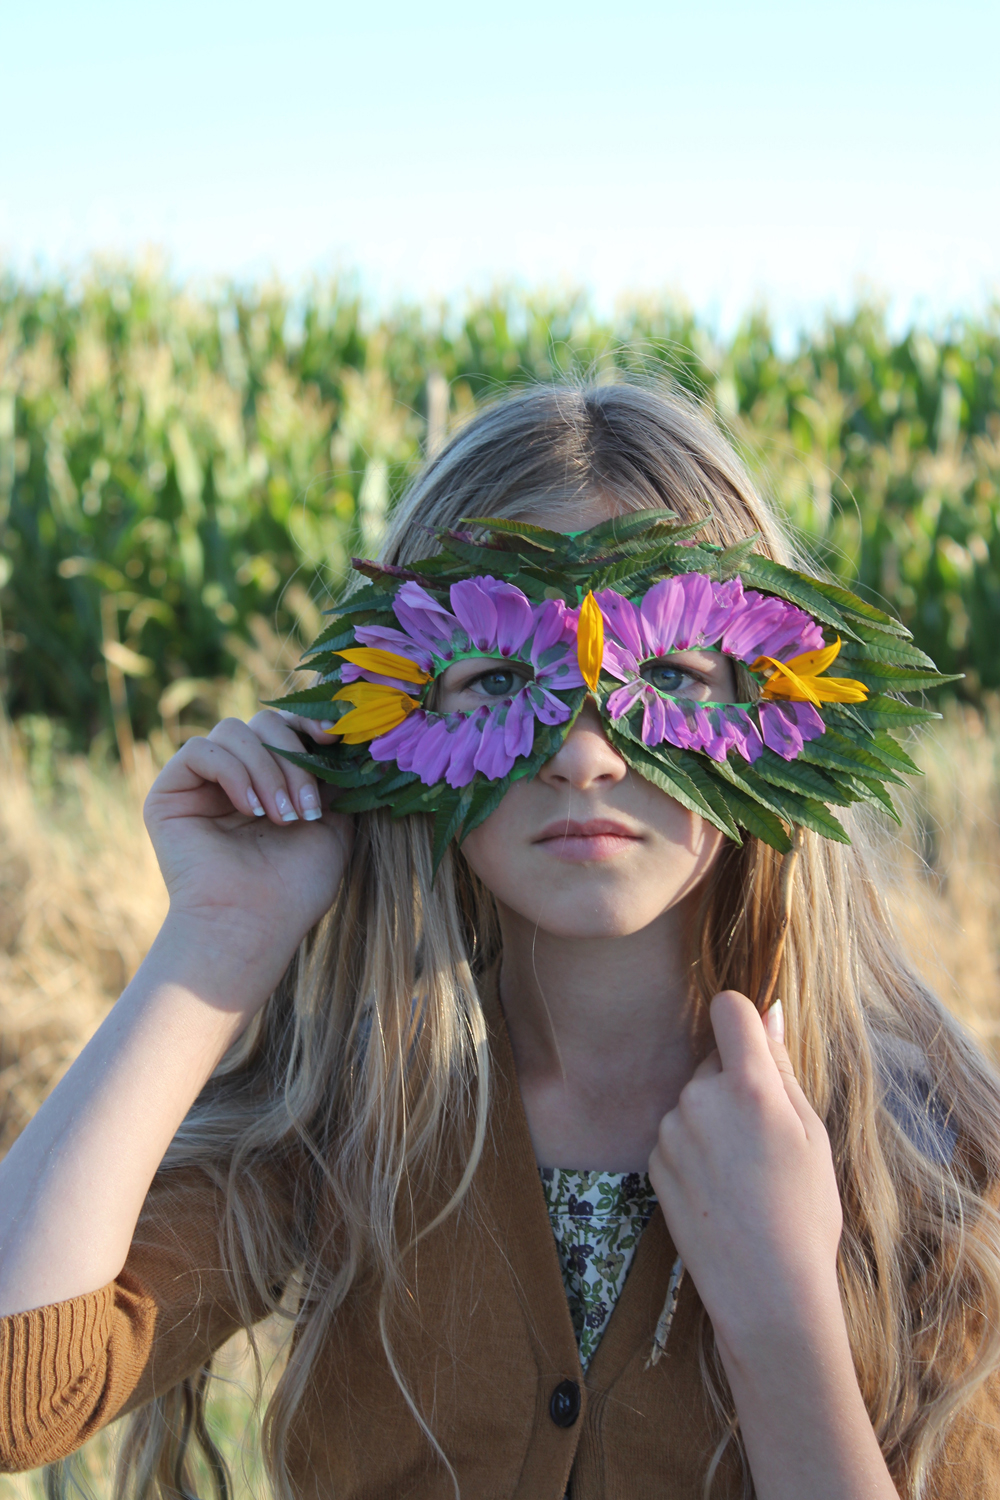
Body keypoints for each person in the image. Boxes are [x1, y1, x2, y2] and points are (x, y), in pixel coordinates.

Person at [2, 382, 1000, 1500]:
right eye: (501, 678)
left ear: (779, 714)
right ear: (397, 717)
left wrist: (782, 1323)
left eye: (664, 674)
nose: (582, 756)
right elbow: (18, 1388)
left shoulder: (926, 1163)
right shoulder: (354, 1119)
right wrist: (220, 939)